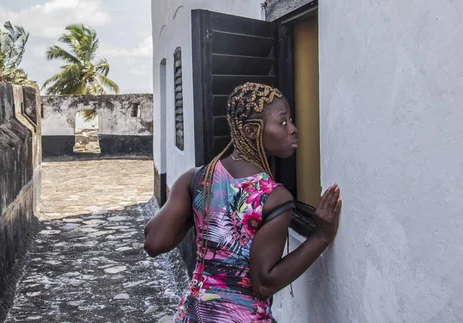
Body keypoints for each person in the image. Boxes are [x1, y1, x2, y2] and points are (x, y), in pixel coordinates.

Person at [143, 83, 342, 322]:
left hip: (193, 314)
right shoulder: (273, 197)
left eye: (290, 121)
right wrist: (321, 235)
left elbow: (154, 242)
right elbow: (264, 284)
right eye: (283, 122)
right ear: (250, 131)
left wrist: (197, 212)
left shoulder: (196, 179)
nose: (293, 129)